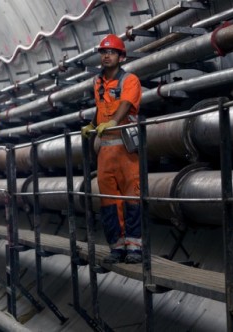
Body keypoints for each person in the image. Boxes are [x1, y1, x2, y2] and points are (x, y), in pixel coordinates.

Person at [81, 34, 142, 264]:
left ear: (121, 56)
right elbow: (101, 108)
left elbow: (126, 104)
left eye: (112, 52)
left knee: (131, 197)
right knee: (108, 200)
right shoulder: (98, 83)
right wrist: (93, 125)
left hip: (126, 149)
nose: (106, 56)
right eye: (104, 52)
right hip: (105, 151)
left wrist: (114, 122)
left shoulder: (130, 80)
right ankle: (117, 246)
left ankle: (134, 246)